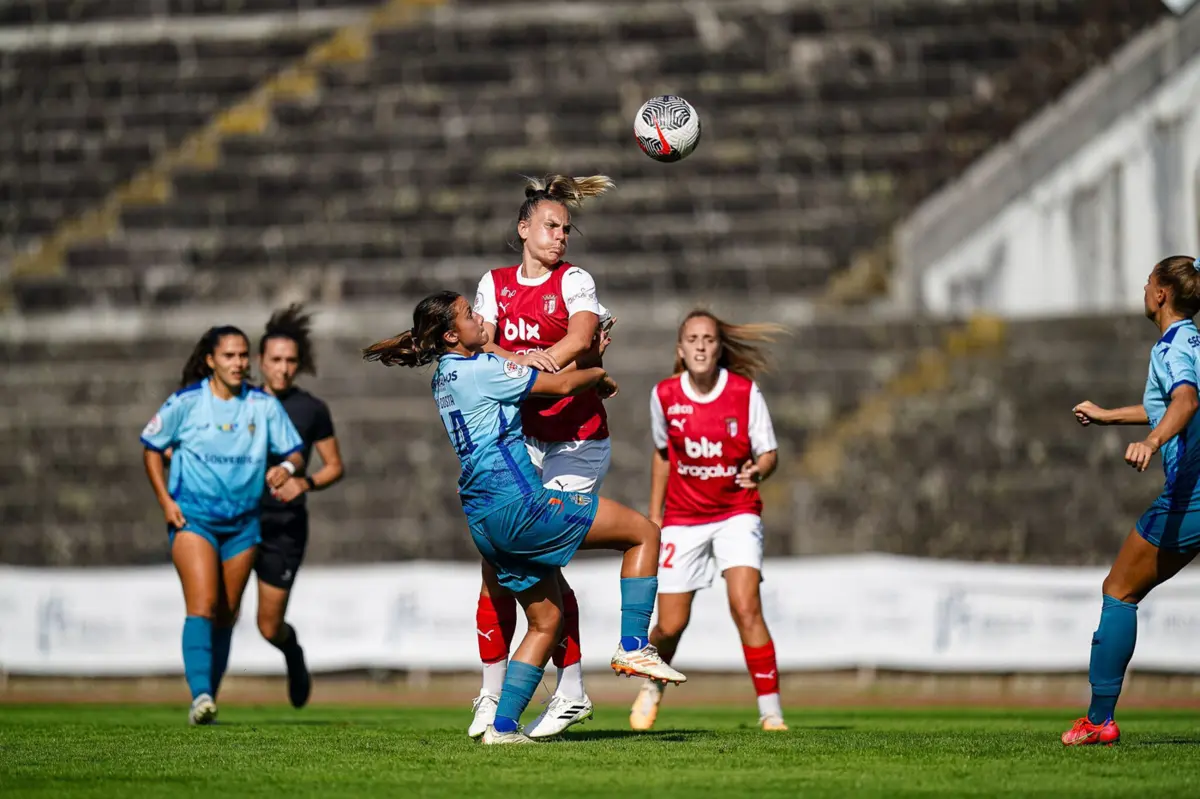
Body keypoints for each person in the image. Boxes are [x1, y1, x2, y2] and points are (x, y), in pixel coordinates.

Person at [363, 291, 686, 744]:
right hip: (522, 508)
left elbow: (522, 374)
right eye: (470, 315)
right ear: (452, 335)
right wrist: (597, 369)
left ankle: (502, 728)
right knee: (643, 534)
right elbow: (562, 386)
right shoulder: (481, 370)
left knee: (546, 622)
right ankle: (634, 645)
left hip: (484, 520)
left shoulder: (445, 376)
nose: (481, 319)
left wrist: (532, 360)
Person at [468, 174, 616, 738]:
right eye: (550, 226)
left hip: (577, 438)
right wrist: (522, 361)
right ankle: (491, 693)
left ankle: (570, 689)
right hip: (522, 439)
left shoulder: (575, 279)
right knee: (496, 567)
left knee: (541, 562)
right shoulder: (495, 283)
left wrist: (535, 362)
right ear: (523, 228)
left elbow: (581, 338)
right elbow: (481, 342)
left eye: (565, 228)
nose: (560, 236)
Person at [629, 309, 788, 732]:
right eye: (693, 339)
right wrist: (655, 515)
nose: (701, 346)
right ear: (681, 350)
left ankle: (771, 712)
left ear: (718, 348)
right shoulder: (664, 395)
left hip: (737, 512)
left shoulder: (744, 392)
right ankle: (652, 684)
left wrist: (759, 470)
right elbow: (663, 454)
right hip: (683, 518)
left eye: (709, 339)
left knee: (745, 606)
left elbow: (769, 453)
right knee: (670, 624)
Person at [1064, 255, 1200, 746]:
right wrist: (1107, 416)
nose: (1143, 289)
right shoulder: (1192, 342)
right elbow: (1164, 404)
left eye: (1148, 283)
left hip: (1192, 495)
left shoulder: (1171, 346)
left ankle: (1099, 720)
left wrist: (1152, 442)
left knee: (1119, 589)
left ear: (1162, 294)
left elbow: (1185, 401)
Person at [141, 326, 304, 725]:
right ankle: (199, 694)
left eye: (243, 355)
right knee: (203, 604)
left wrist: (286, 467)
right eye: (229, 355)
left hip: (243, 524)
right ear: (211, 360)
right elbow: (152, 447)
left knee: (226, 614)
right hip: (194, 518)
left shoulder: (262, 405)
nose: (238, 362)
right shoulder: (187, 402)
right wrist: (165, 501)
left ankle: (207, 701)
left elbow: (296, 452)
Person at [255, 304, 345, 709]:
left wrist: (303, 483)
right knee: (218, 612)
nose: (283, 368)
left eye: (290, 361)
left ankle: (292, 652)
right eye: (276, 360)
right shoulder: (239, 402)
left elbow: (334, 466)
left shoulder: (311, 409)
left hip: (284, 526)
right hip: (239, 522)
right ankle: (206, 699)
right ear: (260, 361)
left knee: (268, 626)